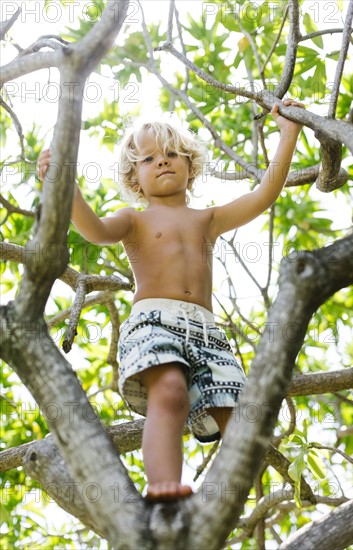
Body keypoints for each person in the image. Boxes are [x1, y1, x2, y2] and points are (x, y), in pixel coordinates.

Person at [38, 98, 304, 501]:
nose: (162, 161)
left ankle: (220, 504)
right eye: (148, 158)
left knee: (240, 421)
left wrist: (289, 133)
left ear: (191, 165)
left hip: (208, 333)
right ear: (134, 179)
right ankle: (163, 488)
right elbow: (93, 229)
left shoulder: (207, 219)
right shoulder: (134, 219)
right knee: (170, 394)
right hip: (154, 323)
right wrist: (63, 184)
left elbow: (266, 192)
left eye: (172, 153)